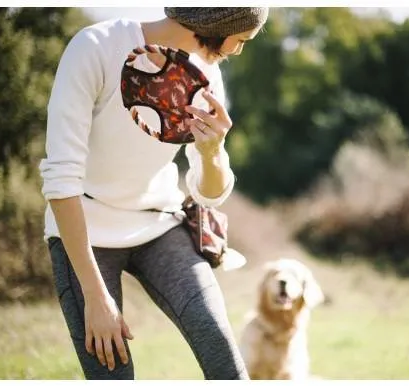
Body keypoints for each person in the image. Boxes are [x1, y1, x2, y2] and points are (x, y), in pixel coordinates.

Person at [39, 7, 269, 380]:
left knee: (223, 355)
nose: (239, 51)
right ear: (219, 24)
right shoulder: (95, 47)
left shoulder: (207, 77)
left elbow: (209, 195)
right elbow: (61, 178)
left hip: (159, 224)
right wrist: (97, 300)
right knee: (111, 372)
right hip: (86, 231)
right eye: (241, 40)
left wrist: (212, 152)